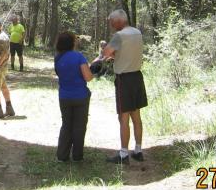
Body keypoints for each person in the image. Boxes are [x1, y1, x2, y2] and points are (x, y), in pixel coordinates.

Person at [100, 9, 147, 164]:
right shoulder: (137, 33)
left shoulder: (119, 36)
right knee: (136, 116)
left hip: (124, 79)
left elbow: (106, 53)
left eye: (112, 22)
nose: (112, 25)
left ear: (119, 21)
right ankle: (138, 150)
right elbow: (126, 52)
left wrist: (105, 48)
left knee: (123, 117)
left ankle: (123, 154)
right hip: (137, 76)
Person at [54, 31, 93, 162]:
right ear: (71, 43)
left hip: (64, 96)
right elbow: (88, 77)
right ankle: (77, 156)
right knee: (79, 126)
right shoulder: (79, 57)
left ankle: (62, 155)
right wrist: (93, 71)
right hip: (80, 96)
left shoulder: (57, 58)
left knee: (66, 125)